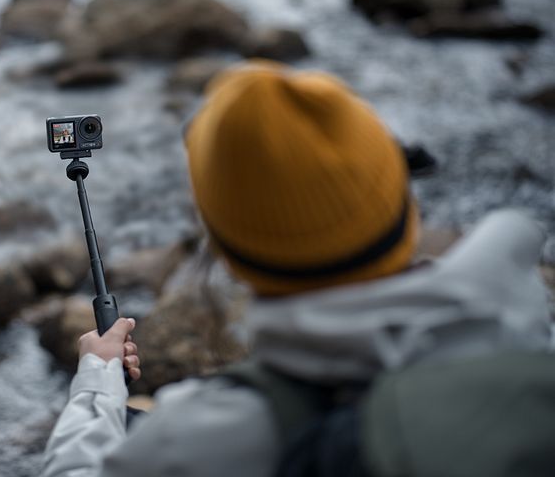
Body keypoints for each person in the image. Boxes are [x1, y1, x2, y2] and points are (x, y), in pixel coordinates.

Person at [40, 60, 554, 477]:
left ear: (232, 257)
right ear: (406, 205)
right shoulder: (532, 335)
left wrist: (96, 384)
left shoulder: (201, 438)